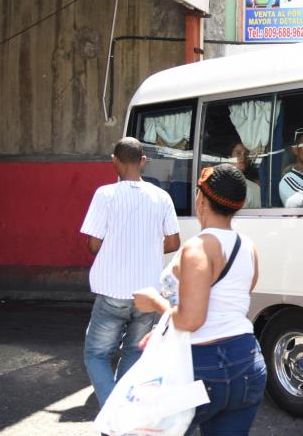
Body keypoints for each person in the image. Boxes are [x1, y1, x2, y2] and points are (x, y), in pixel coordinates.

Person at [133, 164, 266, 435]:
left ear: (202, 199)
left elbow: (192, 320)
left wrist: (154, 302)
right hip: (247, 361)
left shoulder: (198, 247)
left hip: (199, 364)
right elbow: (234, 303)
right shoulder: (248, 246)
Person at [80, 137, 180, 406]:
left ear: (114, 161)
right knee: (134, 353)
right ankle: (125, 410)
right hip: (148, 294)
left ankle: (115, 412)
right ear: (143, 161)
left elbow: (93, 245)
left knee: (96, 355)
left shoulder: (105, 195)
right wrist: (146, 246)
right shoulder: (162, 197)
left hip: (112, 291)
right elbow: (173, 242)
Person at [230, 142, 261, 209]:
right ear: (229, 157)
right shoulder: (220, 182)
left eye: (246, 154)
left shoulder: (254, 187)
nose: (243, 157)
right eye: (238, 153)